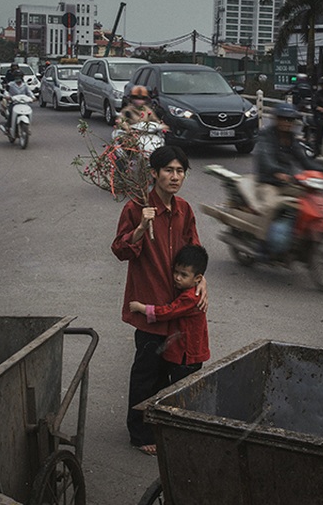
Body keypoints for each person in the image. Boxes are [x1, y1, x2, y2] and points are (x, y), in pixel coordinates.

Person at [111, 145, 208, 456]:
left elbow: (195, 251)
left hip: (178, 310)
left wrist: (202, 280)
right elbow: (120, 250)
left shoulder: (185, 210)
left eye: (180, 171)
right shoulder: (135, 208)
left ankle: (164, 425)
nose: (175, 176)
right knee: (146, 373)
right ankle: (139, 433)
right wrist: (140, 227)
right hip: (151, 308)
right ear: (154, 173)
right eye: (169, 170)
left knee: (173, 374)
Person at [128, 244, 210, 384]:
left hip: (187, 356)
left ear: (198, 278)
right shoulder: (189, 291)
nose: (177, 278)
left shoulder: (190, 297)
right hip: (187, 354)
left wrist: (141, 308)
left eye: (183, 275)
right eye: (176, 272)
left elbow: (168, 311)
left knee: (180, 389)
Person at [253, 103, 320, 251]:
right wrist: (277, 171)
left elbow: (304, 161)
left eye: (290, 120)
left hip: (287, 182)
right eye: (283, 119)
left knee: (310, 200)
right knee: (270, 206)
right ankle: (261, 243)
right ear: (276, 119)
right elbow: (266, 159)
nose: (286, 123)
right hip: (269, 182)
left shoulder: (292, 139)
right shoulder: (266, 135)